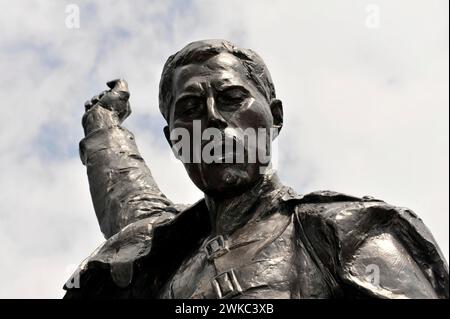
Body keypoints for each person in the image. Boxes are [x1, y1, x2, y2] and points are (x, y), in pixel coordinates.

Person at [64, 40, 448, 299]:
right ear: (174, 141)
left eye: (232, 98)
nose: (212, 120)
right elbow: (124, 192)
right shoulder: (162, 250)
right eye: (191, 109)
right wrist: (103, 122)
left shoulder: (345, 232)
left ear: (275, 118)